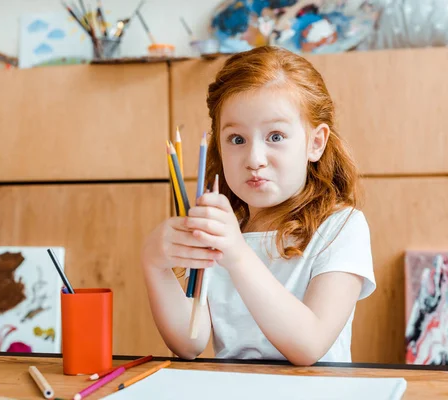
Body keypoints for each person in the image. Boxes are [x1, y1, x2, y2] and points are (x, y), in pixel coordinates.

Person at [141, 45, 376, 366]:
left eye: (276, 136)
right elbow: (189, 342)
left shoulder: (342, 227)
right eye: (237, 139)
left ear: (315, 142)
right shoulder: (226, 226)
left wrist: (237, 255)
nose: (254, 159)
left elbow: (309, 345)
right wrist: (156, 265)